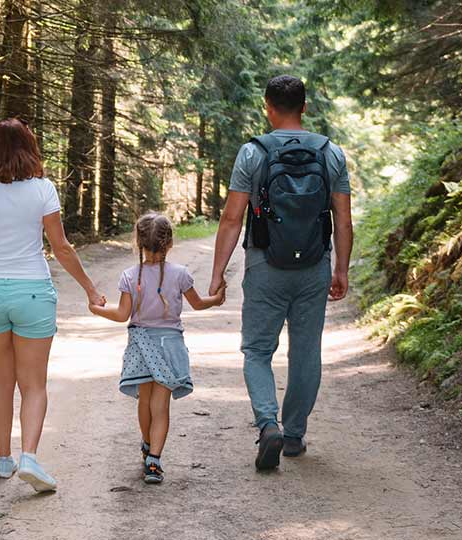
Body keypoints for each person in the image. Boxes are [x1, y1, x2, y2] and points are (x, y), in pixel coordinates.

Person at [208, 75, 354, 471]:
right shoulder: (331, 153)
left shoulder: (252, 154)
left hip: (264, 266)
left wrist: (217, 273)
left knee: (257, 350)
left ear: (268, 107)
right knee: (306, 352)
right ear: (304, 107)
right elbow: (343, 218)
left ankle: (267, 422)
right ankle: (293, 435)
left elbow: (231, 217)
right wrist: (340, 268)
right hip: (314, 268)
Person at [0, 118, 104, 493]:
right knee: (33, 383)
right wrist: (89, 288)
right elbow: (61, 247)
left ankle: (3, 459)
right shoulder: (43, 189)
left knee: (2, 379)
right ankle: (30, 457)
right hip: (33, 292)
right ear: (29, 148)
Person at [89, 212, 226, 484]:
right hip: (169, 346)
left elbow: (121, 315)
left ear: (138, 242)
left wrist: (96, 309)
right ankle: (154, 461)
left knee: (144, 403)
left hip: (140, 345)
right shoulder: (181, 274)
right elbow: (198, 304)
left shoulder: (130, 276)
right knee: (160, 407)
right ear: (169, 243)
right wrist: (217, 298)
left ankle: (147, 443)